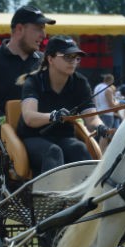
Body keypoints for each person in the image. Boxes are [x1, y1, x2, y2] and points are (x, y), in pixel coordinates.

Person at [0, 5, 55, 211]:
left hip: (37, 157)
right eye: (38, 28)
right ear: (19, 29)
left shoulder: (43, 63)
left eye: (44, 29)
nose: (43, 34)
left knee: (45, 219)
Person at [16, 35, 109, 175]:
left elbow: (91, 118)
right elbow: (29, 118)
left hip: (65, 138)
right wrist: (53, 115)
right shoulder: (34, 82)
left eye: (76, 58)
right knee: (53, 151)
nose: (73, 62)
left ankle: (87, 195)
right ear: (50, 59)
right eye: (67, 57)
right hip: (33, 138)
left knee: (80, 148)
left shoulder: (80, 83)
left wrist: (101, 127)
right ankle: (50, 196)